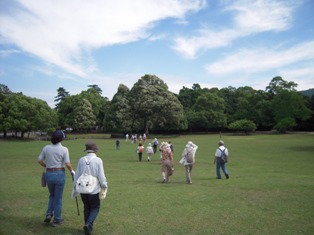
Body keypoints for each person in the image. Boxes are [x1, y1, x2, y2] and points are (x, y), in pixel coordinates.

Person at [37, 130, 75, 227]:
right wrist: (72, 171)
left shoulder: (46, 148)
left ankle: (49, 214)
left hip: (49, 173)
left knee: (52, 195)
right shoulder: (64, 149)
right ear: (61, 139)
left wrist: (46, 166)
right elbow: (67, 164)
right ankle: (57, 219)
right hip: (59, 173)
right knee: (58, 198)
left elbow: (39, 160)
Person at [73, 141, 108, 235]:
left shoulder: (81, 160)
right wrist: (104, 185)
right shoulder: (98, 160)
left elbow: (77, 175)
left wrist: (74, 187)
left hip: (82, 188)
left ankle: (87, 226)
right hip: (94, 189)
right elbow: (101, 176)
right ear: (95, 150)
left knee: (86, 207)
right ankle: (88, 224)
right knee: (95, 207)